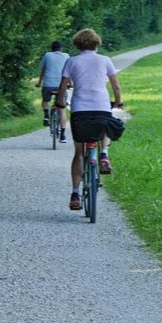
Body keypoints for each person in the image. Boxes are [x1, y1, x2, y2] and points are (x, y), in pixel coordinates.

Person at [55, 28, 123, 211]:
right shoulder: (105, 60)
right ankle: (104, 155)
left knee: (79, 152)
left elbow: (63, 87)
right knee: (106, 125)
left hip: (80, 110)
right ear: (96, 43)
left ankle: (76, 194)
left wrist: (60, 102)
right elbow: (116, 86)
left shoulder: (72, 61)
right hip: (101, 106)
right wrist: (118, 102)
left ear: (77, 44)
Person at [35, 40, 70, 142]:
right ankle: (63, 134)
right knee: (62, 109)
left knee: (45, 100)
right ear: (61, 48)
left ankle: (46, 115)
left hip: (48, 85)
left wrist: (39, 82)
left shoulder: (47, 55)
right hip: (61, 86)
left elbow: (43, 69)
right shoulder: (66, 56)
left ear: (52, 48)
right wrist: (70, 83)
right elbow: (68, 72)